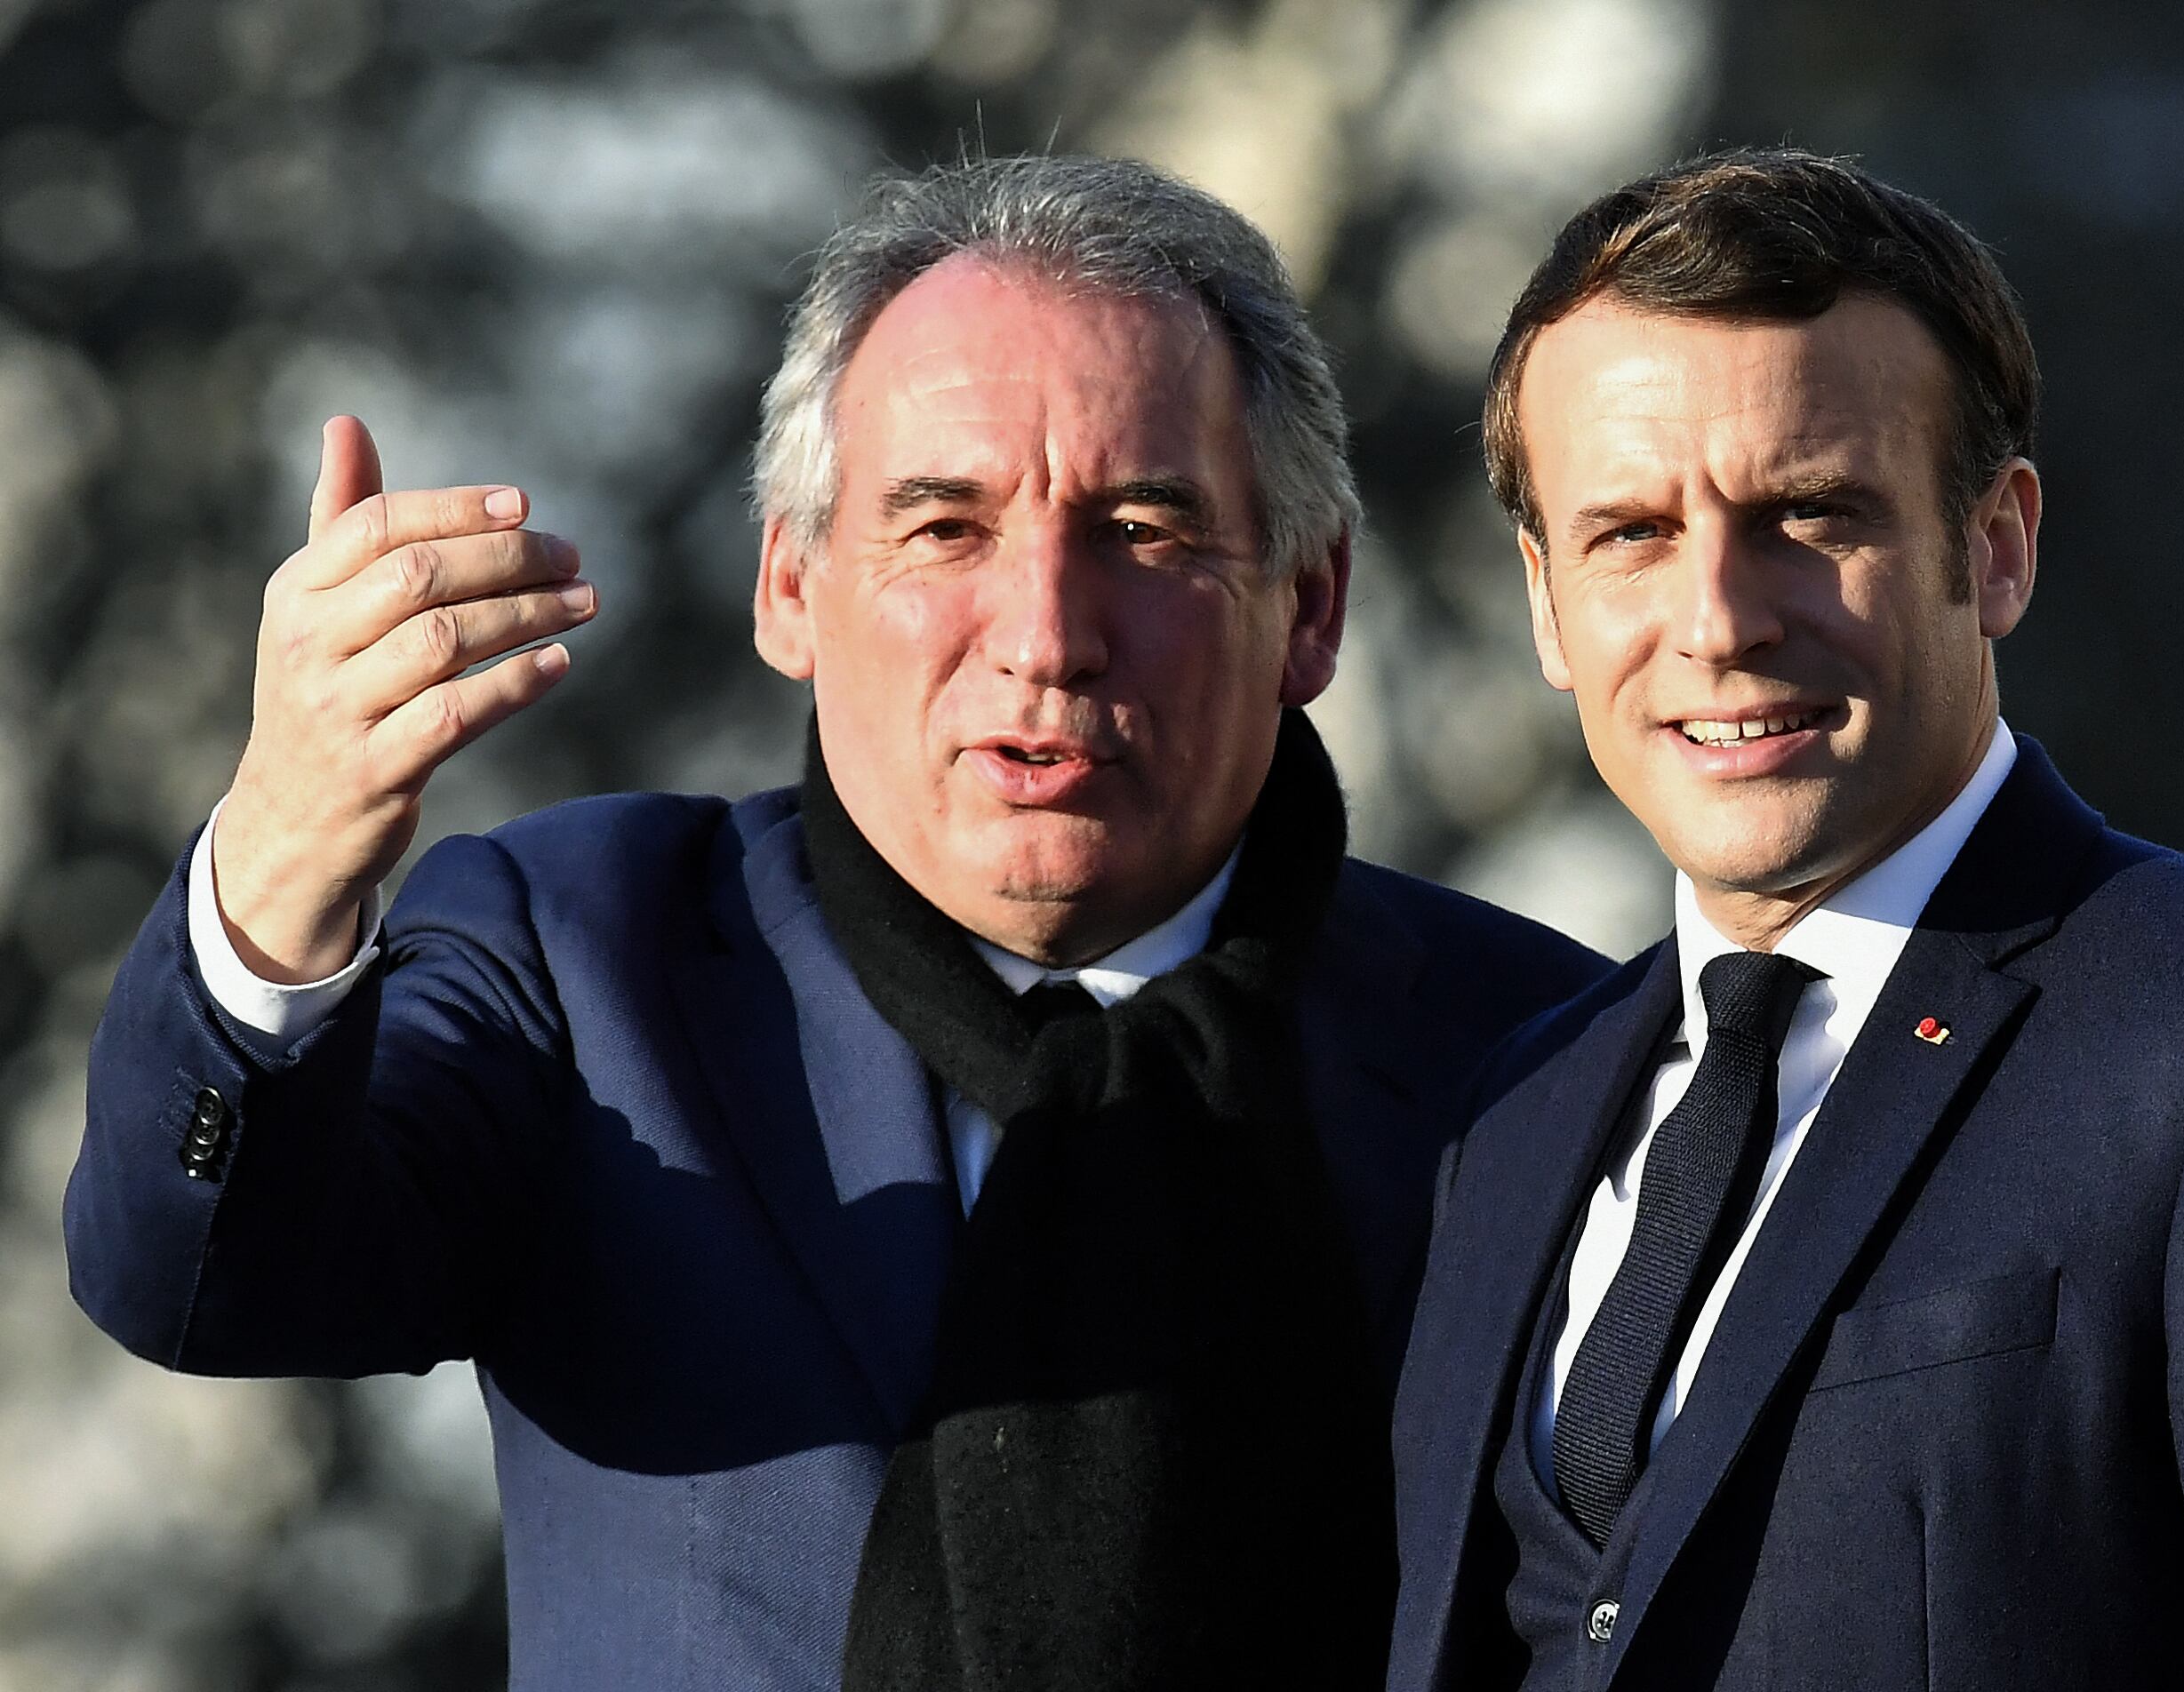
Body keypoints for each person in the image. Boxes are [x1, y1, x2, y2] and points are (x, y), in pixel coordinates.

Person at [65, 154, 1606, 1692]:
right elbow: (200, 1275)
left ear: (1313, 606)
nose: (1048, 637)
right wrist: (281, 860)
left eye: (1143, 529)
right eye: (945, 528)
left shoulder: (1548, 1064)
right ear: (790, 586)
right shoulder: (584, 954)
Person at [1386, 148, 2184, 1692]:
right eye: (1632, 535)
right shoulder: (1507, 1121)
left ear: (1995, 547)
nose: (1722, 620)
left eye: (1808, 513)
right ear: (1544, 601)